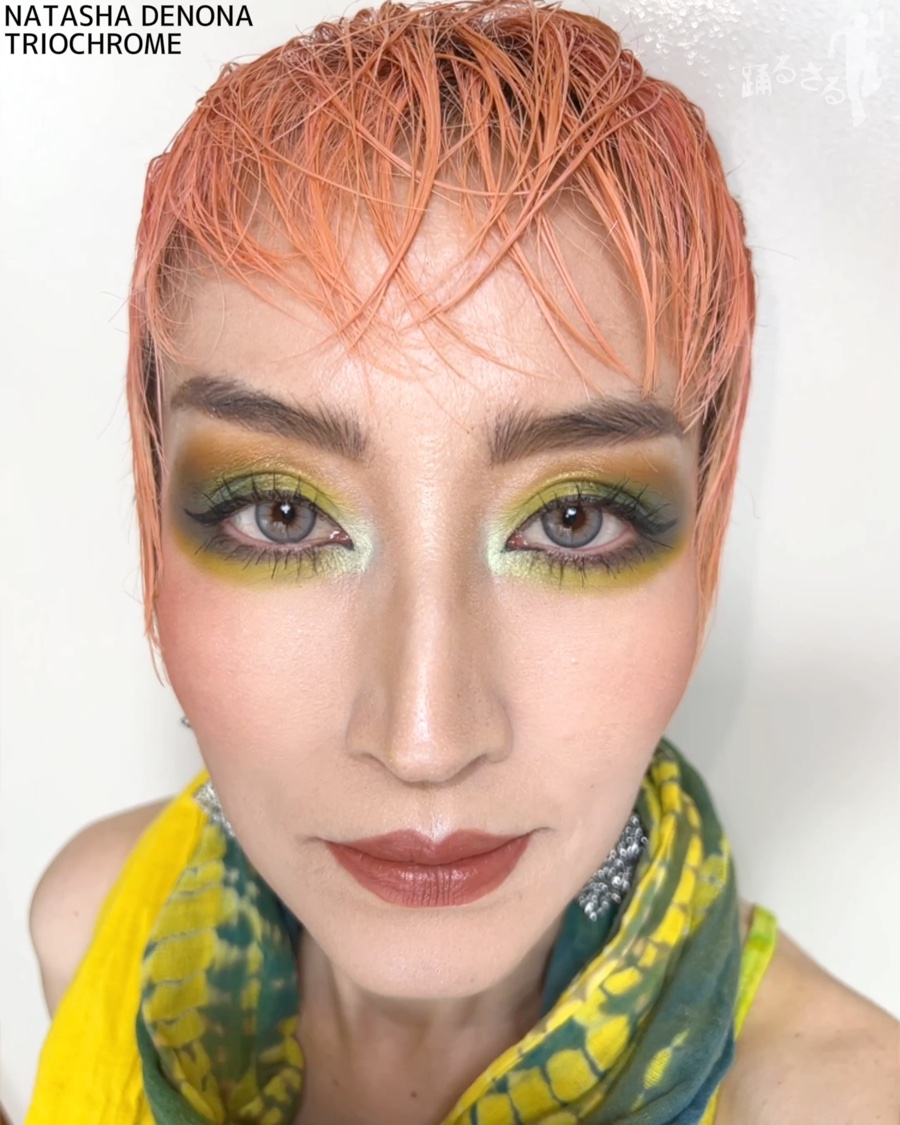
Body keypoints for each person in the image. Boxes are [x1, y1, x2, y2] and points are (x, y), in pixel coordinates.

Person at [25, 2, 898, 1122]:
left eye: (573, 520)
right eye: (284, 515)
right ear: (157, 533)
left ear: (706, 543)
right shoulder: (90, 918)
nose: (425, 741)